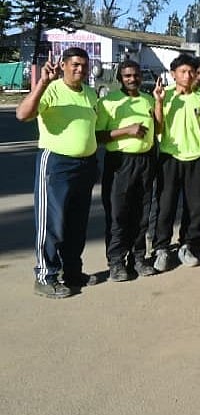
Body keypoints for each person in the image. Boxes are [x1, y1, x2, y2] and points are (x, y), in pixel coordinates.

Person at [18, 48, 100, 297]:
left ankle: (72, 272)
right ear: (63, 65)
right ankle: (46, 276)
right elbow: (23, 114)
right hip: (56, 163)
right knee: (52, 222)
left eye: (84, 66)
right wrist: (43, 82)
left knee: (77, 223)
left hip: (85, 165)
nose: (80, 70)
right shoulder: (51, 89)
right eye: (75, 65)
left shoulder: (89, 93)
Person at [96, 60, 163, 282]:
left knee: (142, 213)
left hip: (145, 161)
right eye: (127, 76)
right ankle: (116, 261)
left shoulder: (148, 100)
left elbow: (158, 129)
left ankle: (138, 257)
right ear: (119, 78)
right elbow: (99, 136)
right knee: (118, 213)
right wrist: (127, 131)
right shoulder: (108, 102)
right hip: (120, 162)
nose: (132, 79)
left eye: (135, 75)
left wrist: (160, 103)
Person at [154, 54, 200, 272]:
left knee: (195, 206)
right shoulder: (164, 95)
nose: (187, 76)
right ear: (173, 74)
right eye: (182, 72)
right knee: (166, 205)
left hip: (196, 158)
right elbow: (158, 128)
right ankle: (161, 248)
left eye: (191, 72)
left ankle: (186, 245)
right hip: (170, 157)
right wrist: (159, 103)